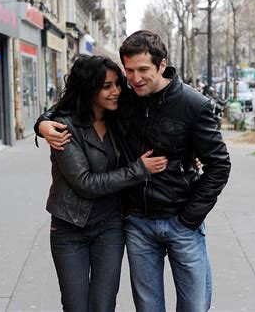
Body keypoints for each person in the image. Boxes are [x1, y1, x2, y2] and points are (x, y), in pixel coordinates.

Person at [37, 31, 231, 312]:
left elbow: (220, 165)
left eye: (143, 70)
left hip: (181, 221)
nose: (134, 79)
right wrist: (42, 124)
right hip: (136, 222)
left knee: (194, 306)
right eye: (129, 70)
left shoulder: (193, 104)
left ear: (161, 65)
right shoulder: (124, 101)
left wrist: (190, 217)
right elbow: (74, 104)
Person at [44, 55, 168, 312]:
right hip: (70, 228)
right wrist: (138, 170)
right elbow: (85, 183)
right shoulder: (64, 126)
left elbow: (159, 129)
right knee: (76, 306)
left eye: (117, 84)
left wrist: (192, 156)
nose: (116, 92)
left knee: (103, 305)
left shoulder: (119, 119)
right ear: (88, 88)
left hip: (110, 226)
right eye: (106, 86)